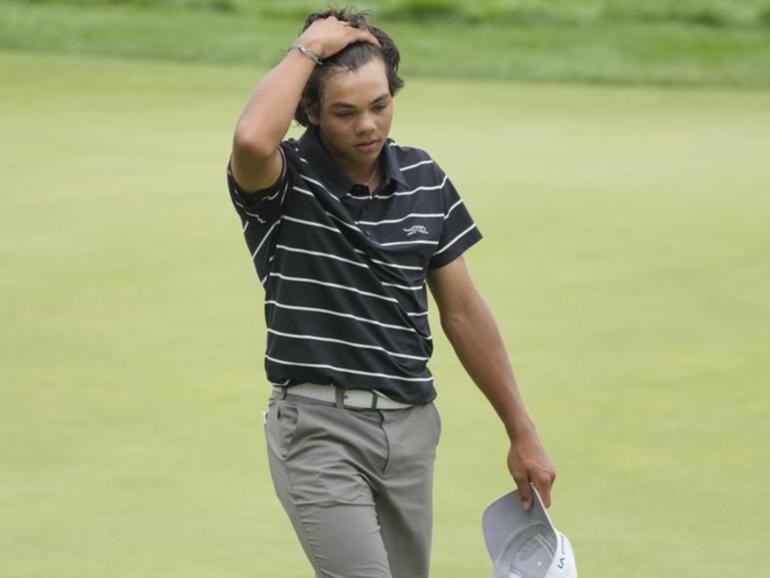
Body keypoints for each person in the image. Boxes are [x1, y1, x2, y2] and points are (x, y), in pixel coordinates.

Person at [226, 8, 556, 578]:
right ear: (310, 111)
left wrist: (520, 430)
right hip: (317, 428)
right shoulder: (285, 181)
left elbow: (464, 312)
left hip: (411, 429)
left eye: (380, 105)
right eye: (345, 112)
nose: (368, 126)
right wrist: (309, 47)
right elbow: (252, 138)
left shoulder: (424, 177)